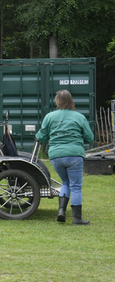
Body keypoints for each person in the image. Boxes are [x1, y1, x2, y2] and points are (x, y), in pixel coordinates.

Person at [36, 90, 94, 225]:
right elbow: (90, 138)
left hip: (56, 155)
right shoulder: (79, 117)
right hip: (74, 155)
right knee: (76, 186)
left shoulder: (50, 116)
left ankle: (61, 211)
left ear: (57, 101)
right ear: (71, 100)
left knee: (66, 183)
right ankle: (77, 219)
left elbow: (41, 137)